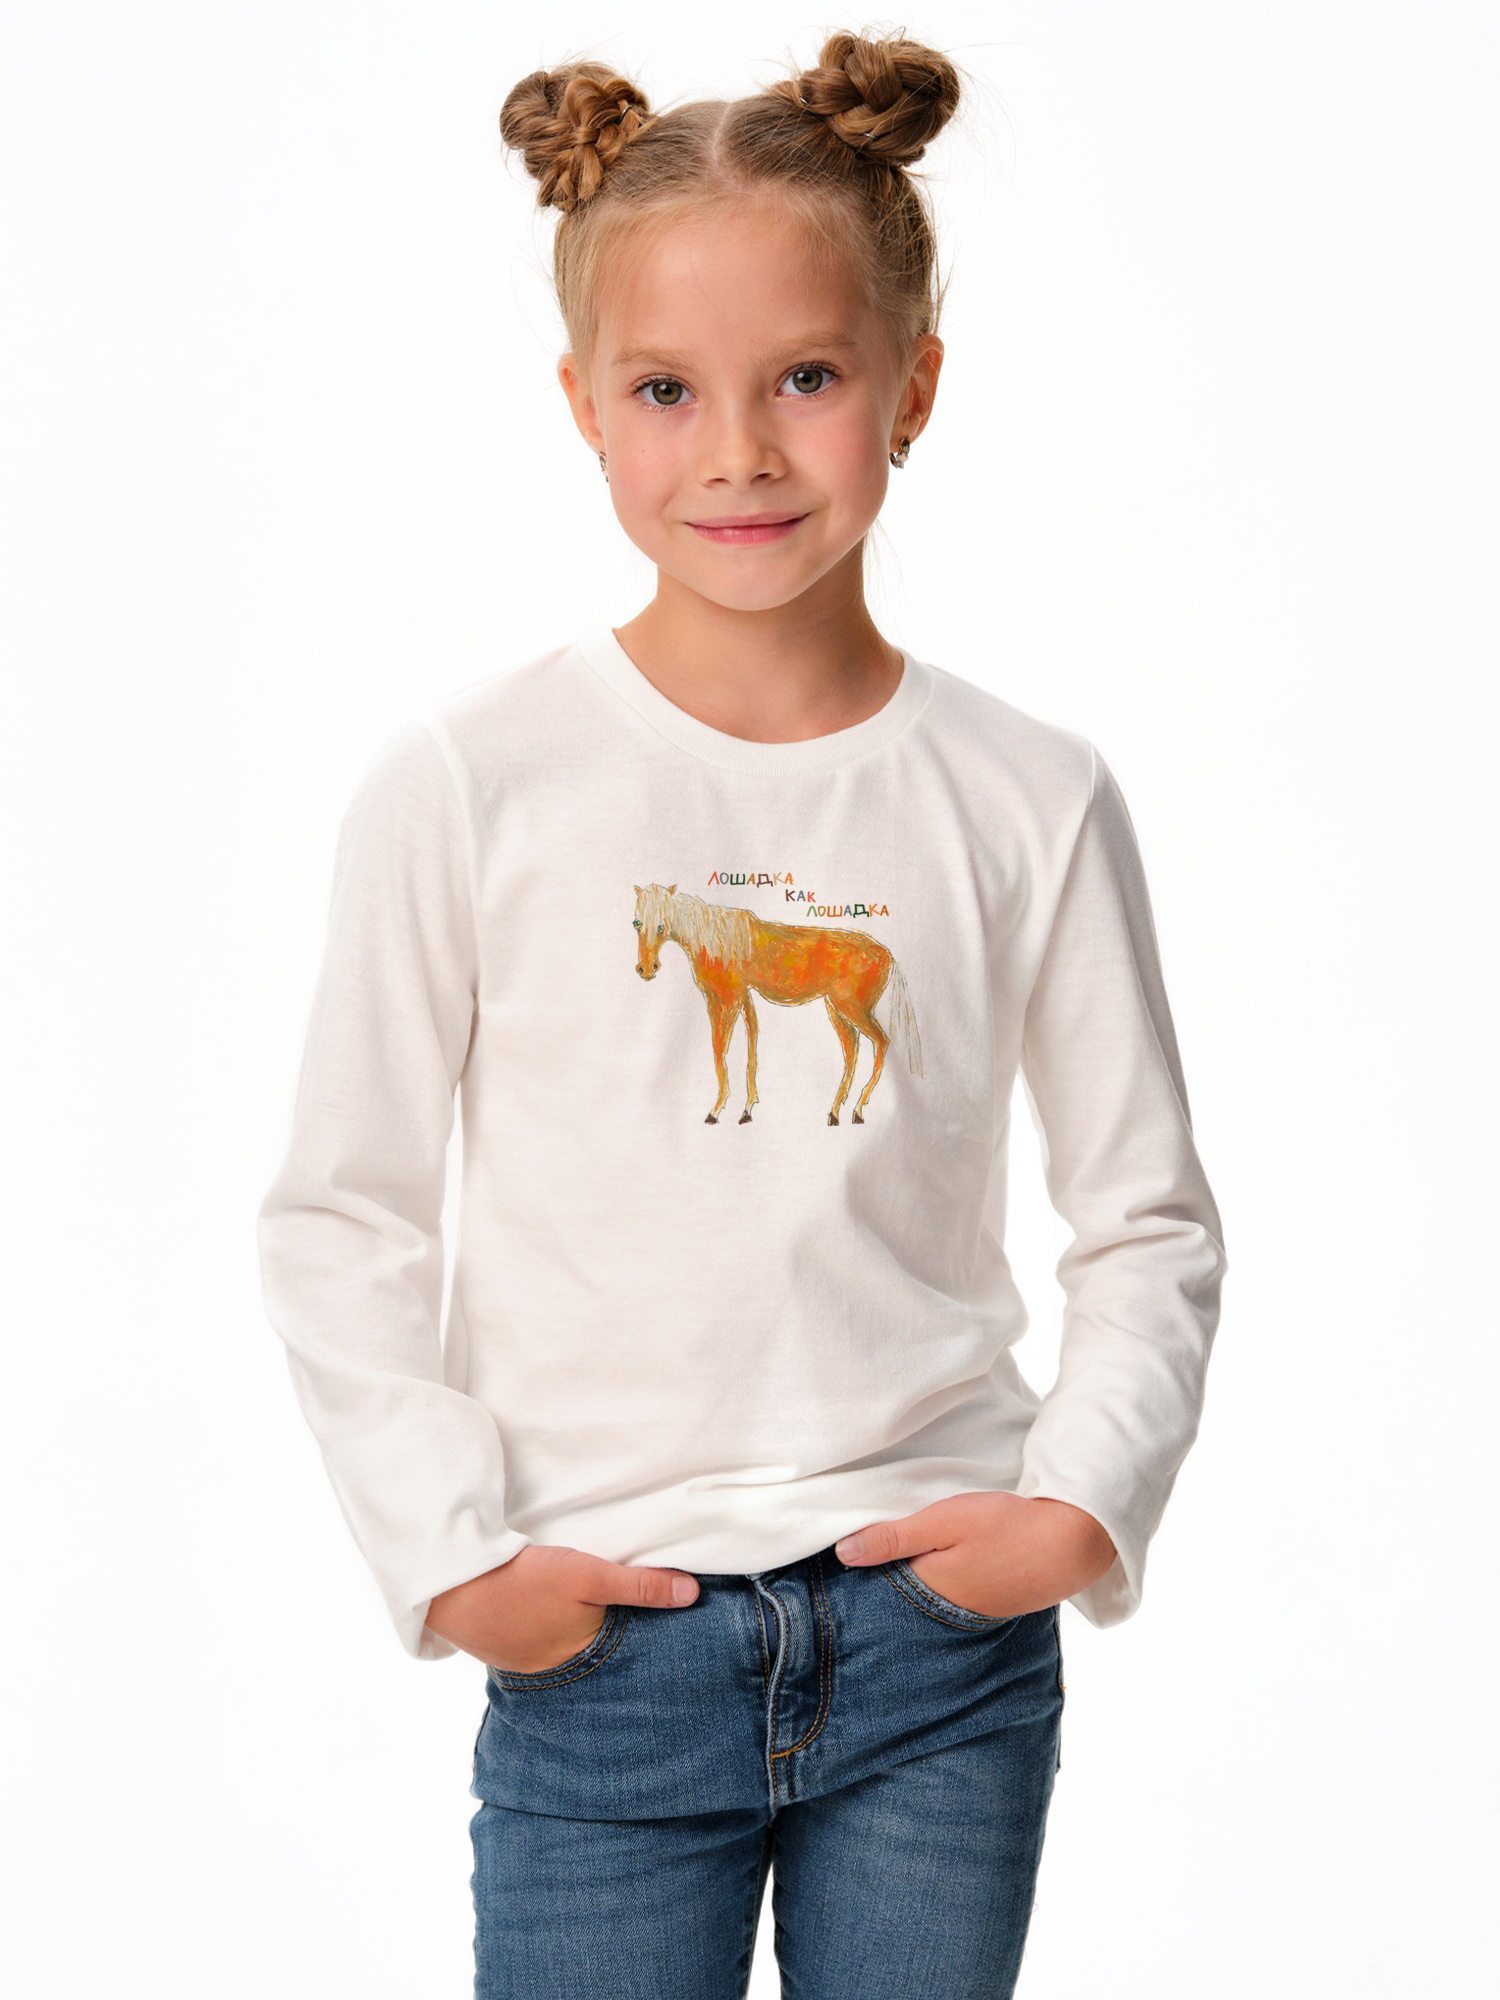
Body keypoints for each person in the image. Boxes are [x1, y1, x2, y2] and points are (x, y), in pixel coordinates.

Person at [257, 29, 1228, 1999]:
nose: (738, 453)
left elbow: (1146, 1215)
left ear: (913, 385)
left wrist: (1077, 1504)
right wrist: (454, 1556)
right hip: (608, 1648)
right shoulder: (470, 784)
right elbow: (344, 1212)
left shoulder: (1028, 797)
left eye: (806, 377)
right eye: (665, 391)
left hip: (939, 1655)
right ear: (581, 406)